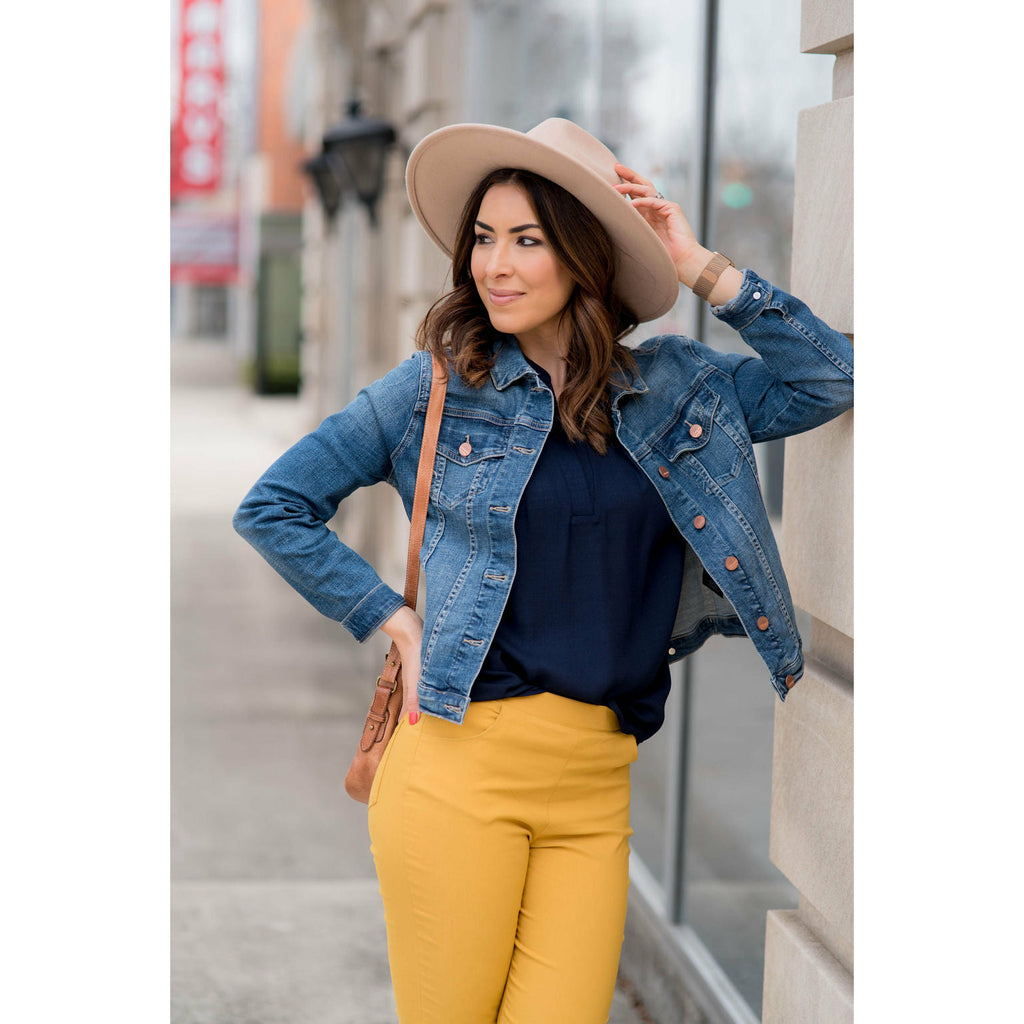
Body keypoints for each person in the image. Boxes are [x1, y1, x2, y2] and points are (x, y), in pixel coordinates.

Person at [233, 118, 853, 1024]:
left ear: (585, 256)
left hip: (597, 784)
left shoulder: (675, 392)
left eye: (527, 240)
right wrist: (387, 616)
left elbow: (828, 379)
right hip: (456, 769)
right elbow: (276, 504)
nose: (495, 265)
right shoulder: (437, 387)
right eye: (484, 239)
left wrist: (696, 261)